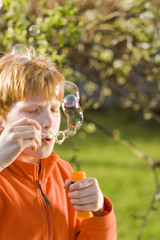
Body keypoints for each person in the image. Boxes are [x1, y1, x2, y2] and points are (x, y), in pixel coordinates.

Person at [0, 49, 117, 240]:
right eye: (34, 110)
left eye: (54, 109)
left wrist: (98, 212)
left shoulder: (63, 173)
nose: (48, 121)